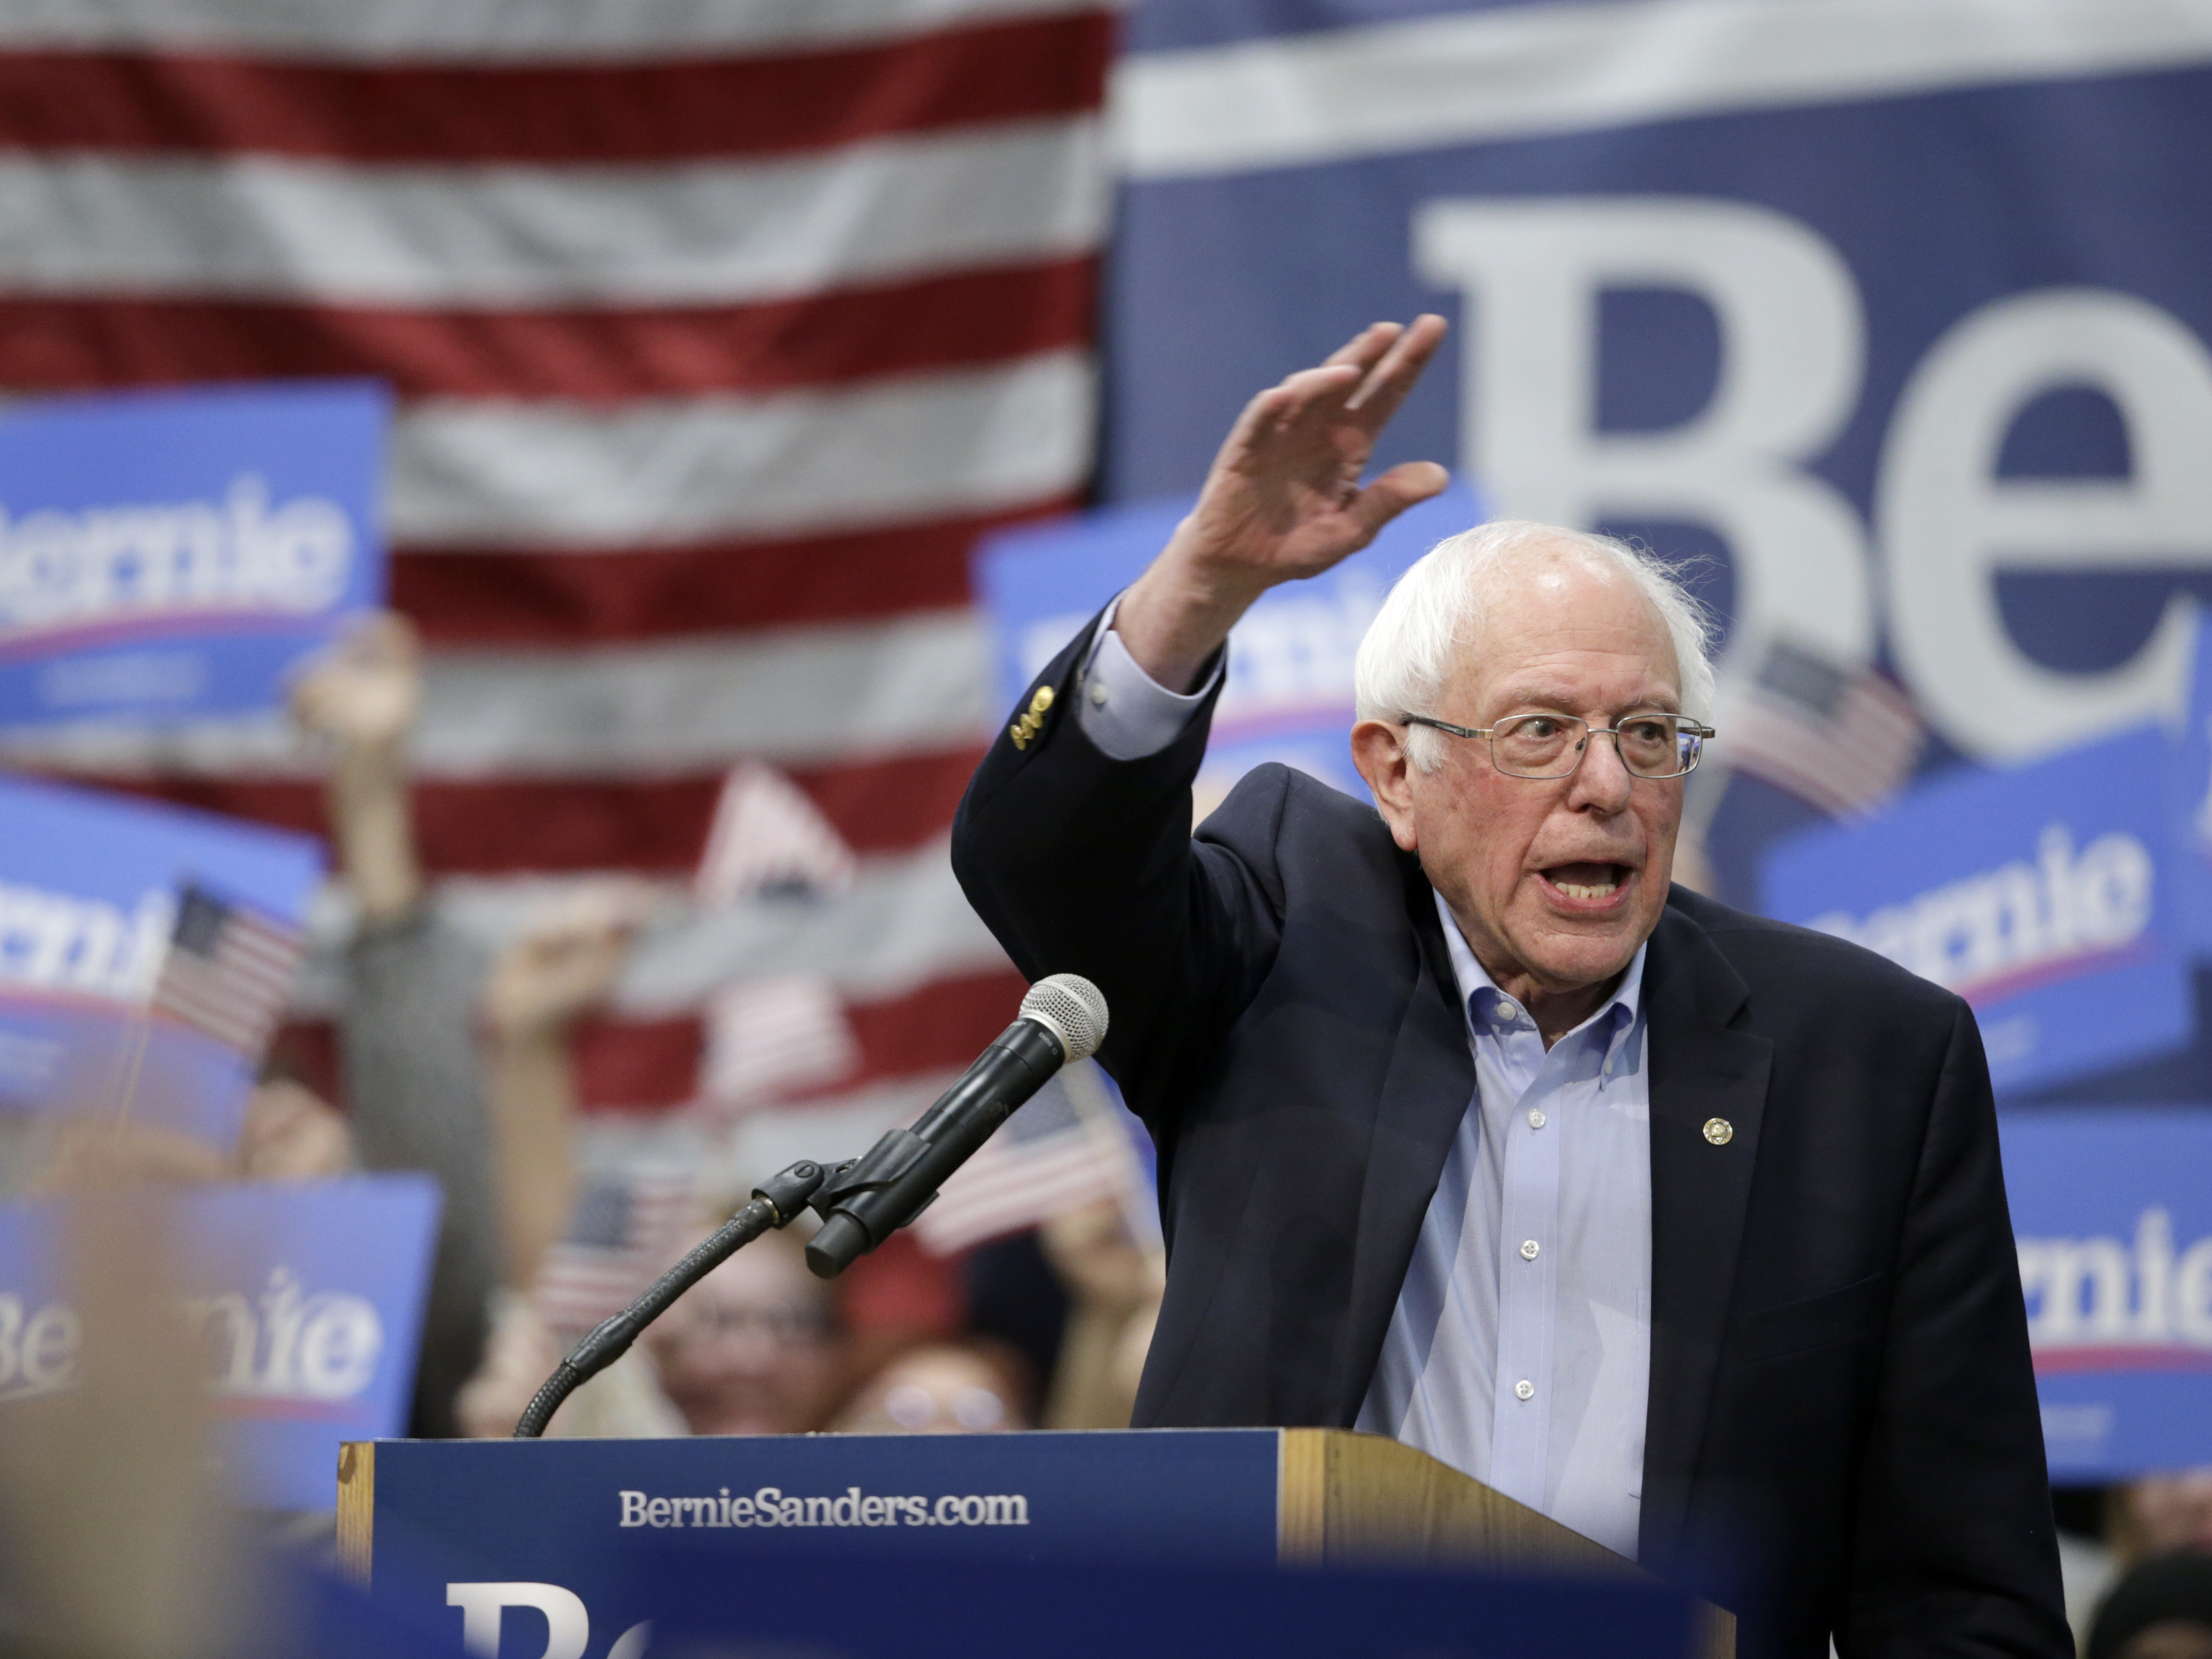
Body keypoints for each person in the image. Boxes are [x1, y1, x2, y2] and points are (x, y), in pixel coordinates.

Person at [951, 317, 2069, 1658]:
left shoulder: (1868, 1057)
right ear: (1393, 773)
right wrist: (1196, 591)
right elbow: (1040, 865)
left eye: (1646, 735)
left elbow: (1960, 1594)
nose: (1604, 783)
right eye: (1540, 730)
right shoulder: (1279, 940)